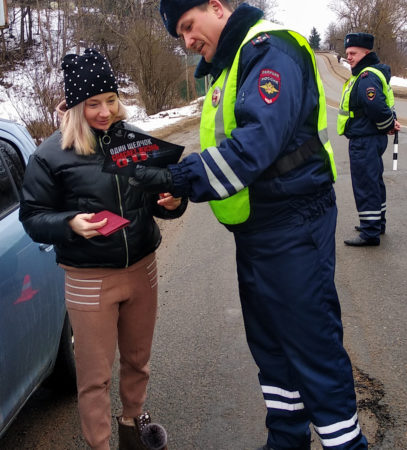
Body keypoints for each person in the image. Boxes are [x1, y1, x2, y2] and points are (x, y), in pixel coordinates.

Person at [132, 1, 369, 448]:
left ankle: (347, 444)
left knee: (311, 345)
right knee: (272, 346)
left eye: (188, 25)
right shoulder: (233, 61)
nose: (187, 41)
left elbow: (256, 144)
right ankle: (286, 439)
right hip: (261, 228)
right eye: (179, 35)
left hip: (294, 222)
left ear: (216, 8)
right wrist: (179, 183)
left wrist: (181, 177)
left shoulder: (269, 49)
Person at [19, 49, 182, 450]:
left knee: (138, 360)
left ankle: (133, 426)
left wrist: (175, 202)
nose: (105, 111)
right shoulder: (49, 155)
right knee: (94, 377)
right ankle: (100, 444)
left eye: (110, 99)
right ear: (75, 106)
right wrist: (69, 223)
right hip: (89, 279)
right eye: (93, 103)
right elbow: (32, 218)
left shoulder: (133, 141)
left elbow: (165, 194)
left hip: (142, 268)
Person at [337, 32, 401, 247]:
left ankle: (369, 232)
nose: (350, 57)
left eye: (353, 53)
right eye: (347, 54)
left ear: (367, 53)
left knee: (365, 184)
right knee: (374, 181)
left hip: (364, 139)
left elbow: (375, 105)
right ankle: (376, 222)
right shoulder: (368, 74)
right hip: (369, 137)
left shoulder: (367, 76)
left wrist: (388, 125)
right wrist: (389, 125)